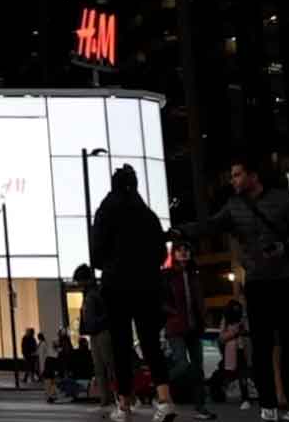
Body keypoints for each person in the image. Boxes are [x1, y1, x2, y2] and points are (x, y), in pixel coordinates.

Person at [180, 158, 289, 422]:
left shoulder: (282, 200)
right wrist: (184, 230)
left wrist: (285, 247)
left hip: (284, 278)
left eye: (237, 174)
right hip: (256, 280)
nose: (233, 180)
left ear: (254, 176)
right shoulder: (234, 206)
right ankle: (268, 405)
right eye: (232, 175)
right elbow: (211, 225)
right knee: (261, 344)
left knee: (288, 342)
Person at [91, 165, 178, 421]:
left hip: (117, 284)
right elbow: (162, 253)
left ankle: (124, 404)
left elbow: (97, 253)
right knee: (151, 342)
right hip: (147, 284)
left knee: (121, 344)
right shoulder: (148, 215)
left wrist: (112, 262)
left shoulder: (106, 211)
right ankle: (164, 400)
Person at [162, 240, 215, 420]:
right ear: (174, 253)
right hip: (176, 327)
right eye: (180, 250)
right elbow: (161, 300)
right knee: (182, 364)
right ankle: (160, 386)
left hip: (194, 326)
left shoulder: (194, 274)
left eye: (186, 250)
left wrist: (204, 317)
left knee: (198, 368)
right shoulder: (167, 275)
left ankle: (200, 408)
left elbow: (199, 299)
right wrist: (172, 312)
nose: (184, 253)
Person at [73, 264, 115, 409]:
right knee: (100, 367)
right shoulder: (89, 293)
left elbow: (107, 311)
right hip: (95, 332)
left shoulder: (96, 292)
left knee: (109, 365)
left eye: (79, 281)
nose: (77, 284)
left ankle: (120, 397)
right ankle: (106, 399)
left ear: (85, 279)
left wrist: (97, 323)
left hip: (102, 331)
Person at [217, 301, 251, 410]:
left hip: (244, 350)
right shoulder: (226, 321)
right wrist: (235, 333)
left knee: (243, 374)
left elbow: (248, 332)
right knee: (230, 373)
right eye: (234, 308)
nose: (236, 311)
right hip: (231, 351)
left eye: (238, 308)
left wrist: (244, 331)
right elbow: (221, 337)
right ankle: (220, 391)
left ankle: (246, 398)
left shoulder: (244, 319)